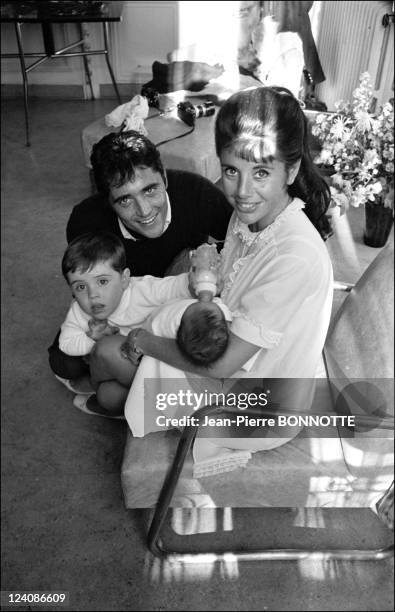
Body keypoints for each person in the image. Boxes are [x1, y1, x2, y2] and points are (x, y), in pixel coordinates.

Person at [113, 85, 334, 451]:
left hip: (258, 407)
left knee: (114, 352)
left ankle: (114, 395)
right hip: (235, 352)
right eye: (232, 170)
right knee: (129, 335)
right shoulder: (253, 213)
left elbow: (222, 366)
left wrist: (145, 342)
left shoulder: (293, 256)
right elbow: (224, 291)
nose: (242, 191)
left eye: (261, 172)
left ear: (291, 170)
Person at [48, 129, 232, 389]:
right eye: (125, 200)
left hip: (177, 294)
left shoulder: (197, 194)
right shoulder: (86, 222)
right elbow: (87, 285)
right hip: (123, 306)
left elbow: (237, 247)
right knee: (65, 363)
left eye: (150, 190)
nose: (144, 211)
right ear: (108, 203)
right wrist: (98, 329)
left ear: (165, 177)